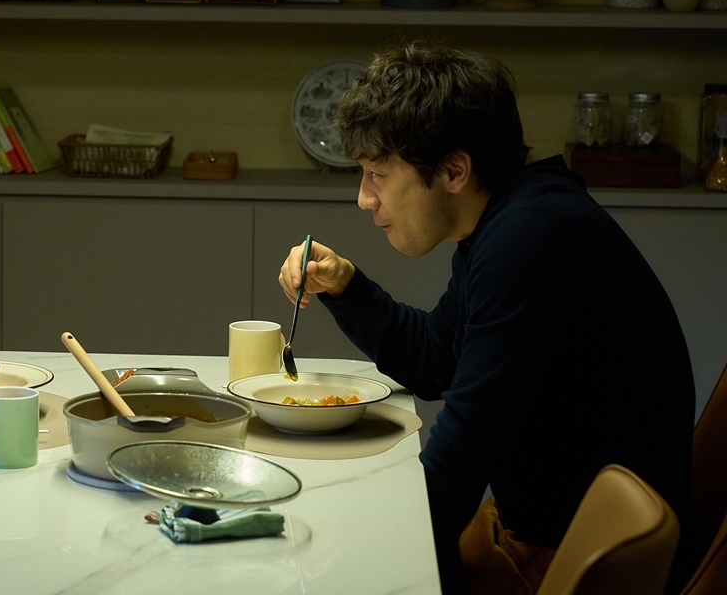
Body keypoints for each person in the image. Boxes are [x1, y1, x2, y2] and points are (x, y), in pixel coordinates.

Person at [277, 41, 693, 595]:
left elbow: (464, 450)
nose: (364, 198)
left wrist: (363, 562)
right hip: (535, 526)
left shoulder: (530, 240)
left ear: (454, 170)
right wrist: (346, 287)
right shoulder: (510, 220)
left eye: (377, 173)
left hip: (576, 560)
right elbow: (435, 361)